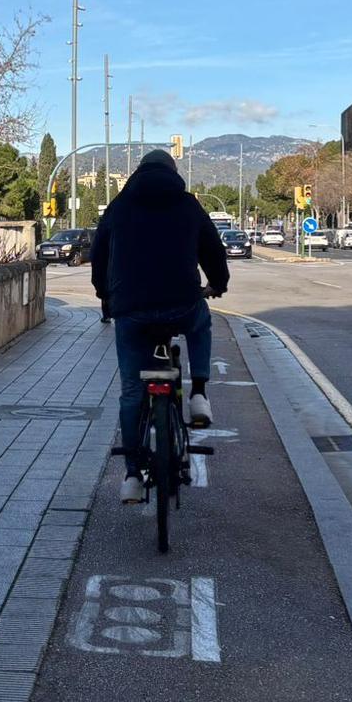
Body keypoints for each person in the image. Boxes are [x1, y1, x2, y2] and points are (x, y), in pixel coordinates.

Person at [90, 149, 230, 504]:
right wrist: (218, 284)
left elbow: (99, 251)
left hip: (132, 310)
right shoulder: (187, 204)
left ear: (138, 172)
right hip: (181, 302)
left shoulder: (120, 206)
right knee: (201, 323)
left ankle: (133, 475)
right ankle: (198, 392)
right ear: (173, 171)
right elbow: (212, 248)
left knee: (131, 390)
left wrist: (104, 294)